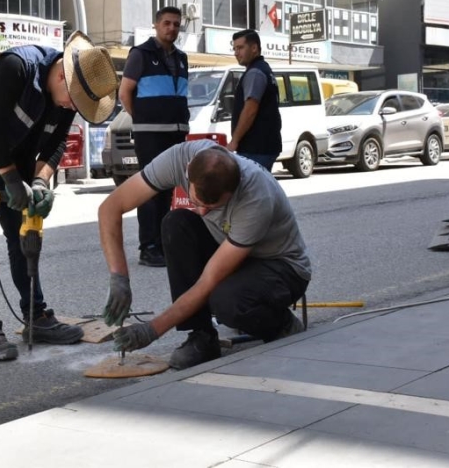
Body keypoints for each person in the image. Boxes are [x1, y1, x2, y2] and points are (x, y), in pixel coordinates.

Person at [0, 31, 119, 361]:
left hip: (13, 161)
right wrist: (10, 180)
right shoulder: (17, 67)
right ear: (62, 75)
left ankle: (36, 318)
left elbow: (55, 145)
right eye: (72, 101)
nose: (71, 108)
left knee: (24, 239)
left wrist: (38, 183)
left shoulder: (70, 94)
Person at [98, 139, 311, 370]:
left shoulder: (255, 197)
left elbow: (208, 281)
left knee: (227, 302)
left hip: (280, 267)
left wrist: (152, 330)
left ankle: (281, 324)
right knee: (175, 223)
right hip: (231, 249)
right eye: (197, 202)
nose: (201, 211)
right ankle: (202, 337)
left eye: (212, 208)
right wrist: (119, 277)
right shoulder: (180, 158)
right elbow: (110, 208)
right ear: (188, 172)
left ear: (233, 191)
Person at [119, 6, 189, 267]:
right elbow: (124, 93)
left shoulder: (182, 58)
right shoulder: (141, 54)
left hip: (175, 133)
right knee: (150, 190)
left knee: (167, 190)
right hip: (150, 135)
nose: (172, 28)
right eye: (167, 23)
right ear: (156, 25)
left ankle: (161, 244)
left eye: (176, 24)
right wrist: (142, 120)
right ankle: (147, 247)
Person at [228, 29, 282, 171]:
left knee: (252, 191)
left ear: (254, 48)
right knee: (260, 190)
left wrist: (234, 141)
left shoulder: (255, 72)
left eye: (240, 48)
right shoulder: (264, 69)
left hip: (256, 147)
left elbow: (250, 110)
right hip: (264, 145)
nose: (236, 53)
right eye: (234, 48)